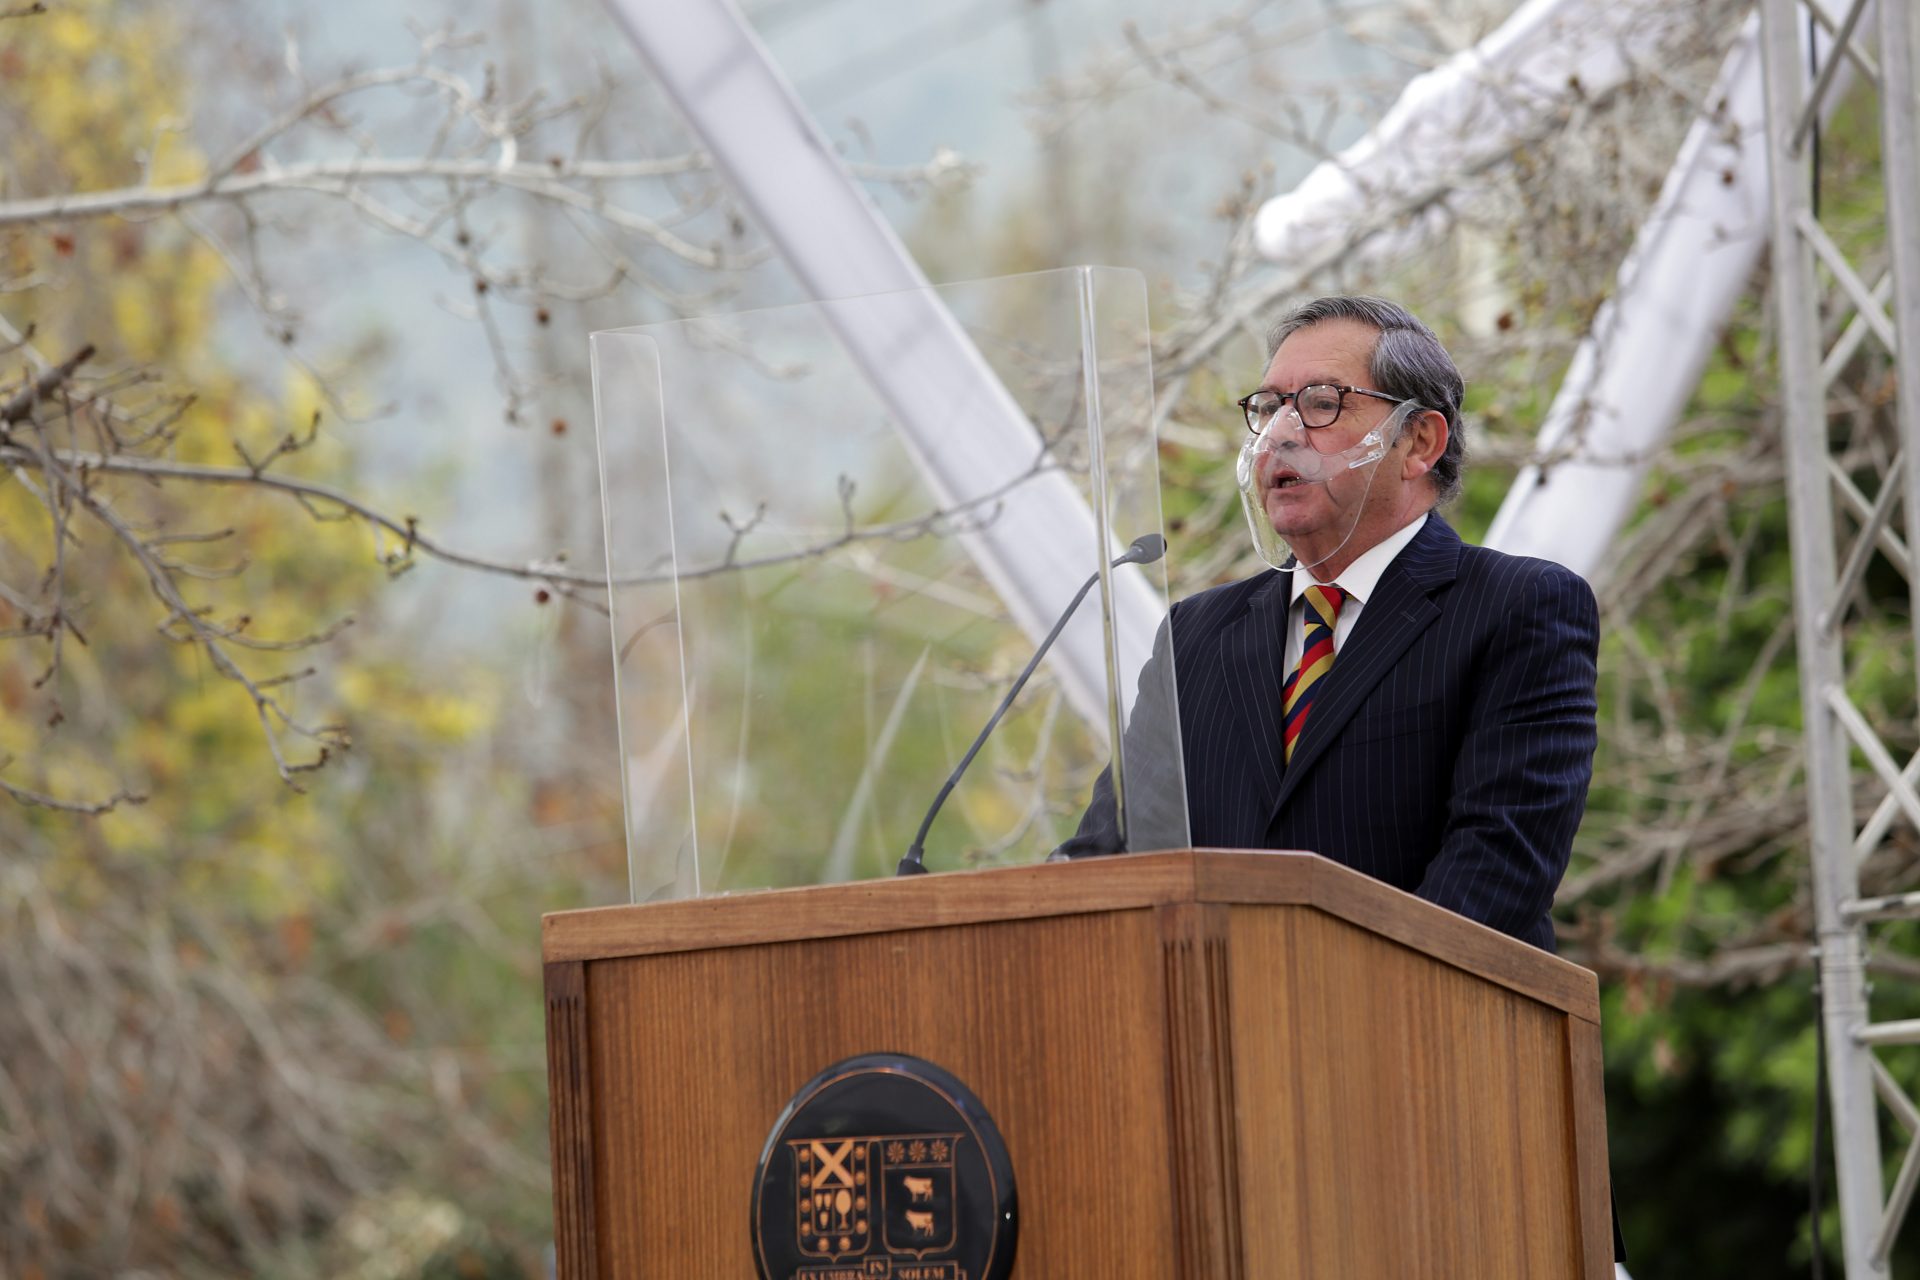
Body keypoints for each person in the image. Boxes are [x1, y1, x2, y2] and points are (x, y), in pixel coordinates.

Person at [1058, 295, 1600, 956]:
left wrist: (1318, 998)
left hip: (1414, 1013)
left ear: (1418, 442)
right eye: (1268, 407)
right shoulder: (1195, 634)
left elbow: (1495, 874)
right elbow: (1107, 859)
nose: (1279, 435)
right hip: (1204, 1012)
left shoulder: (1520, 607)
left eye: (1321, 403)